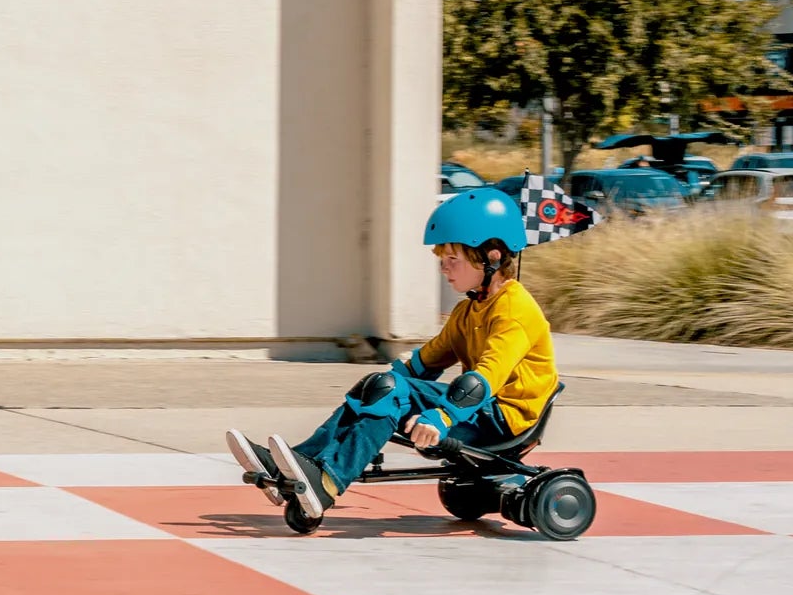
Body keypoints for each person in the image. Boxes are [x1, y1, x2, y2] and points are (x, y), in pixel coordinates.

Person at [226, 188, 557, 524]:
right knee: (379, 386)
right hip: (478, 411)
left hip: (504, 420)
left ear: (493, 256)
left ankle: (326, 482)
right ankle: (298, 463)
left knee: (392, 392)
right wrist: (377, 384)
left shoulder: (514, 310)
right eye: (441, 258)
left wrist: (441, 417)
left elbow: (485, 377)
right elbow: (421, 364)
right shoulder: (467, 311)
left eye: (452, 259)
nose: (443, 268)